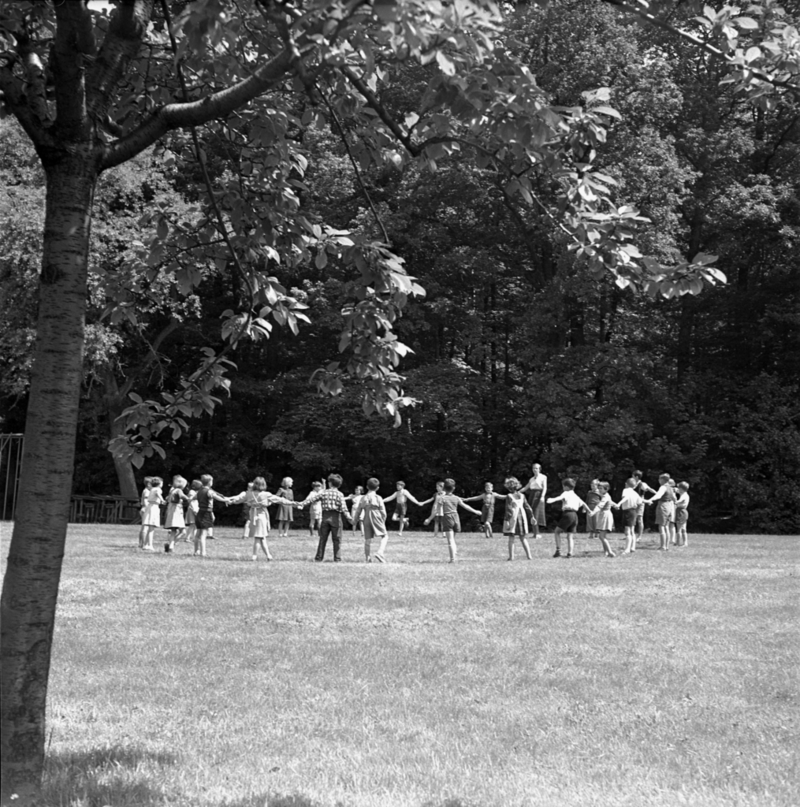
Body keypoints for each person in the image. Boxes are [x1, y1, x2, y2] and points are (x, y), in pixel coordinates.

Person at [227, 477, 295, 561]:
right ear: (263, 485)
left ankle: (269, 556)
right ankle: (254, 556)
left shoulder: (248, 494)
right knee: (259, 537)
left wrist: (230, 501)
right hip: (261, 516)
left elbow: (238, 500)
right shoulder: (266, 494)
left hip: (253, 516)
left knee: (262, 537)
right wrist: (293, 503)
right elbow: (280, 500)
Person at [300, 473, 353, 562]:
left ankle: (319, 558)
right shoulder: (340, 494)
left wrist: (301, 504)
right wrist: (350, 518)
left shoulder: (324, 492)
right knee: (337, 539)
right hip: (336, 517)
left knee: (322, 538)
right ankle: (337, 558)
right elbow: (344, 508)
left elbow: (311, 500)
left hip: (325, 517)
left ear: (330, 483)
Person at [436, 478, 482, 563]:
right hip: (456, 517)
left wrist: (439, 515)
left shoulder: (442, 498)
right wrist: (476, 511)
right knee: (453, 539)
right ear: (454, 488)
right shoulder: (456, 498)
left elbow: (439, 509)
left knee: (450, 540)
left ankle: (452, 559)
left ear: (443, 488)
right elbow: (465, 506)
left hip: (447, 517)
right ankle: (454, 553)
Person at [546, 478, 589, 558]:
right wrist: (588, 510)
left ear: (566, 486)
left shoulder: (566, 493)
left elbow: (559, 498)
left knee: (557, 531)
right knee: (570, 535)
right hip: (575, 515)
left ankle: (558, 551)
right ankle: (570, 553)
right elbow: (583, 503)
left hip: (567, 514)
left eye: (563, 486)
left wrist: (552, 500)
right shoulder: (575, 495)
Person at [194, 474, 230, 557]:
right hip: (206, 513)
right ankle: (203, 553)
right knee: (203, 534)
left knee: (198, 534)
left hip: (200, 513)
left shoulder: (199, 491)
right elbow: (215, 496)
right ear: (210, 482)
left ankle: (196, 551)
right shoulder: (209, 491)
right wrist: (225, 500)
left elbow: (193, 498)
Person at [353, 478, 388, 562]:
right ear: (377, 488)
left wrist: (355, 521)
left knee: (367, 539)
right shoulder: (378, 497)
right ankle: (380, 552)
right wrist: (383, 520)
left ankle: (367, 558)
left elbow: (358, 511)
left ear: (367, 487)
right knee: (385, 536)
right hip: (376, 516)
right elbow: (383, 512)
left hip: (366, 517)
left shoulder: (363, 498)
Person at [501, 477, 534, 560]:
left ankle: (511, 557)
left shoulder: (509, 496)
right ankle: (529, 556)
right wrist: (532, 516)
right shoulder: (522, 496)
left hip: (513, 518)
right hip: (522, 518)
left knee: (511, 538)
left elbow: (508, 509)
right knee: (523, 538)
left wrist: (507, 520)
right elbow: (527, 507)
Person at [644, 473, 677, 550]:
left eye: (659, 479)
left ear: (662, 480)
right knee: (666, 526)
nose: (658, 480)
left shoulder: (663, 487)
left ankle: (663, 546)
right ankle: (667, 546)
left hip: (663, 506)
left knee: (661, 526)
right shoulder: (670, 488)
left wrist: (650, 500)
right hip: (669, 506)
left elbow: (658, 495)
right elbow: (674, 498)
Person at [613, 478, 643, 554]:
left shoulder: (625, 490)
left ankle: (627, 549)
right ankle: (633, 547)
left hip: (627, 512)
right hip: (633, 511)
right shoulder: (635, 493)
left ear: (626, 484)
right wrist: (648, 501)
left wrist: (619, 504)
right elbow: (640, 502)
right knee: (632, 530)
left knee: (627, 531)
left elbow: (625, 498)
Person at [588, 481, 616, 557]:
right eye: (599, 488)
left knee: (601, 536)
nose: (599, 490)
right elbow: (610, 502)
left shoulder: (605, 496)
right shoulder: (605, 495)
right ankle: (606, 553)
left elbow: (600, 506)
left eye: (601, 488)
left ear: (606, 489)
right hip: (604, 515)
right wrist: (615, 505)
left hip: (605, 515)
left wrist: (593, 512)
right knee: (603, 536)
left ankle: (610, 552)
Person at [520, 463, 547, 539]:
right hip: (532, 495)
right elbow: (525, 488)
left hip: (539, 495)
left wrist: (542, 496)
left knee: (536, 514)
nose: (535, 470)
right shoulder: (531, 479)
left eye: (536, 468)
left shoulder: (543, 477)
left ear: (539, 469)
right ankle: (535, 533)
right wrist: (517, 492)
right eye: (533, 468)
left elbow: (545, 488)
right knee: (531, 513)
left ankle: (537, 533)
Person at [164, 475, 190, 552]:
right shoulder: (179, 490)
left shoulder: (172, 491)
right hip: (177, 512)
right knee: (183, 532)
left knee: (173, 531)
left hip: (171, 512)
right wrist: (188, 499)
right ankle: (171, 545)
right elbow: (182, 496)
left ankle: (170, 546)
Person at [632, 471, 657, 544]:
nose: (632, 477)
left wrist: (657, 494)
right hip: (633, 503)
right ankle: (631, 534)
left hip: (640, 503)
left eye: (633, 476)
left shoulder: (642, 484)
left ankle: (639, 536)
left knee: (639, 519)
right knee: (632, 518)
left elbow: (650, 489)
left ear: (636, 477)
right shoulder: (632, 484)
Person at [140, 477, 164, 552]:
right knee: (151, 528)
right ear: (159, 484)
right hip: (154, 507)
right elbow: (158, 493)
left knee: (149, 528)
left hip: (149, 507)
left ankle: (145, 545)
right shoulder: (158, 489)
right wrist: (162, 500)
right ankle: (150, 545)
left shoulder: (151, 489)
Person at [184, 479, 203, 546]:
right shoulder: (192, 492)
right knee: (192, 524)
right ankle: (187, 537)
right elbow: (191, 501)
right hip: (192, 509)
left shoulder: (196, 492)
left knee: (195, 525)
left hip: (195, 509)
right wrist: (194, 510)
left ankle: (193, 537)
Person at [137, 476, 153, 549]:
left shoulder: (146, 490)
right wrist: (148, 509)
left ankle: (141, 543)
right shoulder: (147, 491)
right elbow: (146, 501)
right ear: (149, 484)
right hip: (145, 509)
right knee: (145, 527)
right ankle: (143, 544)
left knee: (143, 527)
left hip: (144, 509)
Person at [674, 482, 690, 547]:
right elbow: (677, 490)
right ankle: (685, 543)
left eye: (679, 488)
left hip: (680, 512)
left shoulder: (683, 496)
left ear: (681, 489)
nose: (678, 489)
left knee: (679, 529)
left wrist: (675, 502)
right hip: (684, 512)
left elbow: (680, 500)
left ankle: (678, 543)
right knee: (684, 529)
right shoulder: (685, 494)